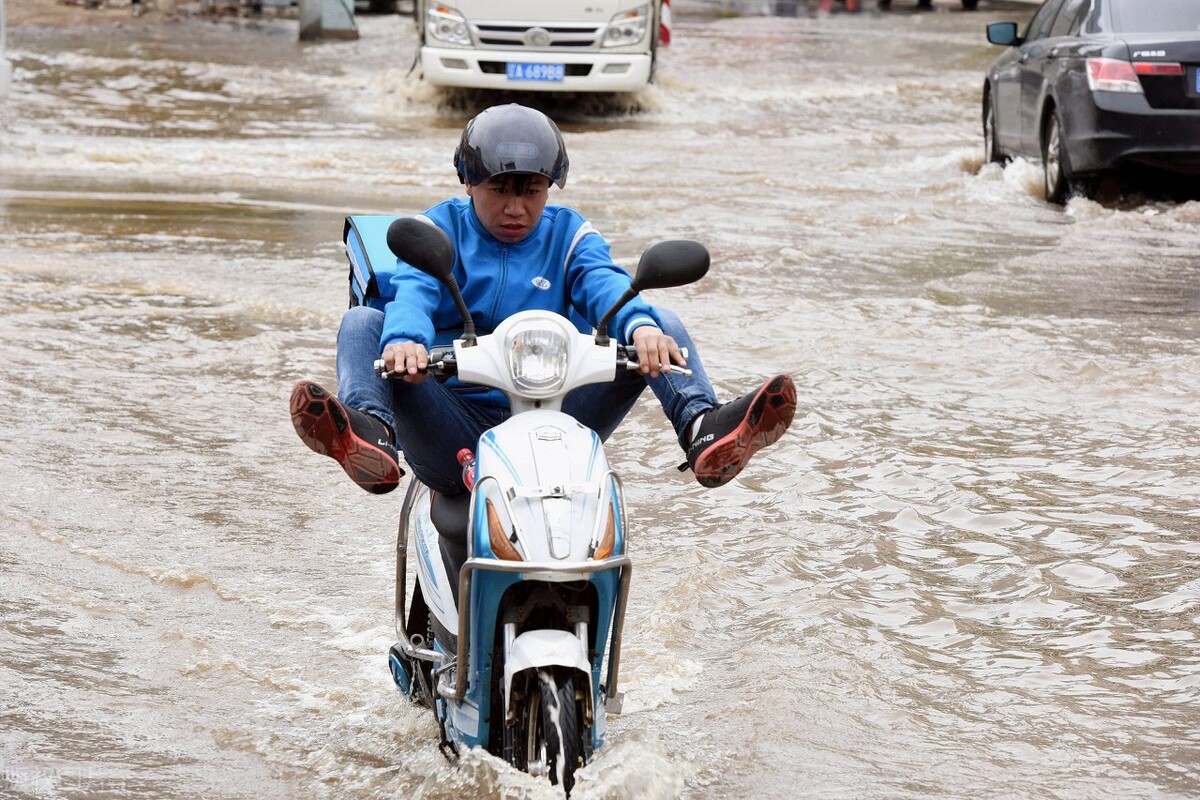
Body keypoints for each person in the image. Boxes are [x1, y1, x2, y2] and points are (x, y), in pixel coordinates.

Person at [290, 103, 796, 500]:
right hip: (452, 420)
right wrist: (405, 342)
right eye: (500, 189)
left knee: (659, 319)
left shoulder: (571, 234)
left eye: (532, 190)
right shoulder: (436, 229)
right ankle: (369, 434)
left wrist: (641, 329)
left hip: (557, 415)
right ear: (468, 182)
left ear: (549, 187)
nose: (516, 207)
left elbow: (602, 283)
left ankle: (702, 429)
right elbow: (414, 293)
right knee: (364, 322)